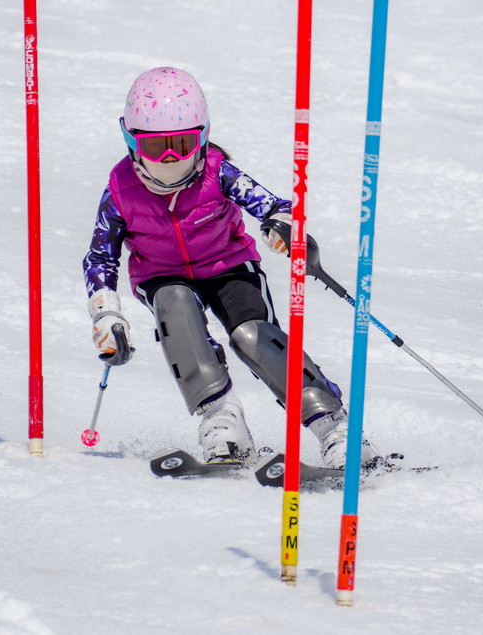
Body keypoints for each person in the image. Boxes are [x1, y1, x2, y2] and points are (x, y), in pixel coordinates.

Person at [82, 66, 376, 469]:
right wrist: (106, 314)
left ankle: (334, 427)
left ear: (202, 138)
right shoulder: (120, 191)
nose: (170, 159)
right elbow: (100, 257)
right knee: (175, 311)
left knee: (253, 335)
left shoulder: (217, 171)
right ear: (131, 141)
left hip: (228, 265)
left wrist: (284, 228)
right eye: (155, 148)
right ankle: (222, 420)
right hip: (162, 274)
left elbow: (273, 206)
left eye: (182, 145)